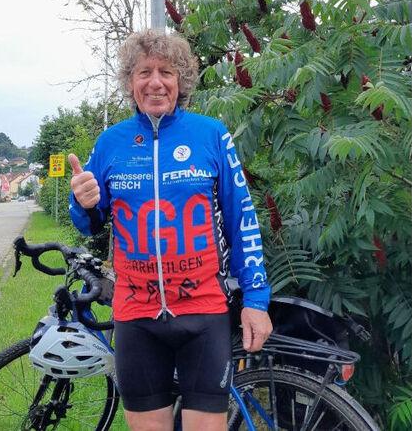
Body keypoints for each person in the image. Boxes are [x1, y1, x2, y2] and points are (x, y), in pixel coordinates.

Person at [68, 29, 273, 431]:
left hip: (203, 314)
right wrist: (84, 203)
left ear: (181, 80)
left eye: (166, 72)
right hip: (136, 318)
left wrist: (256, 300)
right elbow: (91, 224)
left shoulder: (211, 134)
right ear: (131, 82)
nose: (156, 82)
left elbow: (242, 220)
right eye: (144, 72)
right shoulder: (111, 143)